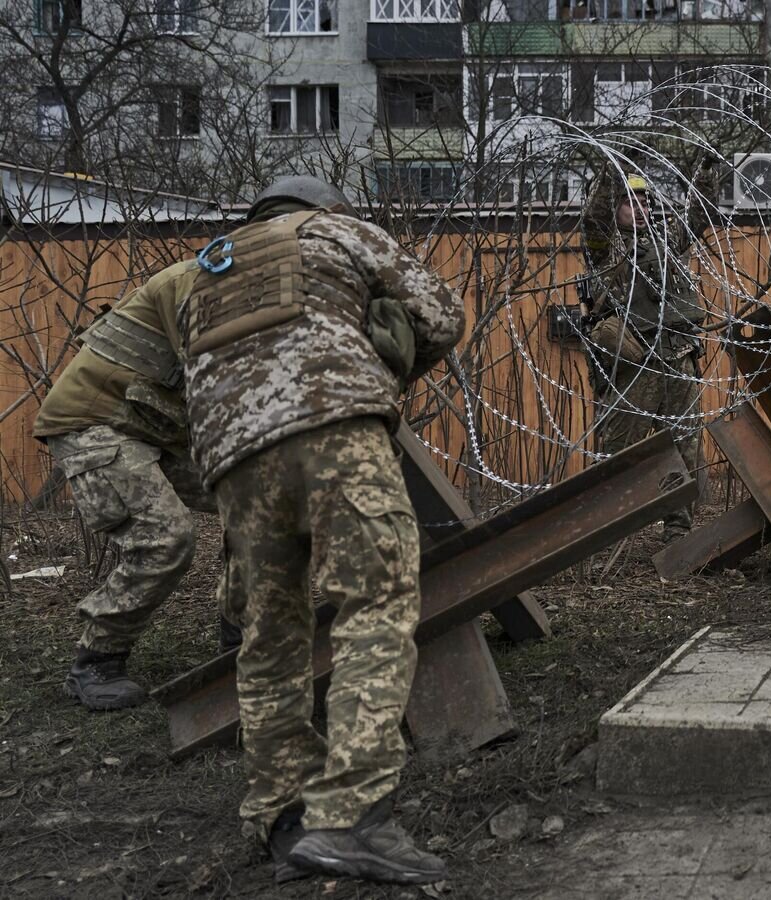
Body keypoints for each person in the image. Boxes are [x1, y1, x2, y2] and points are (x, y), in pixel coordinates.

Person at [178, 176, 464, 885]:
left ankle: (283, 817)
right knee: (377, 599)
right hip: (334, 424)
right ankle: (352, 817)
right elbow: (441, 314)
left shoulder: (201, 274)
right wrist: (391, 360)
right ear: (323, 207)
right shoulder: (334, 231)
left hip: (234, 460)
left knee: (269, 633)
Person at [33, 259, 231, 710]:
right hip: (95, 420)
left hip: (152, 423)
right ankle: (97, 660)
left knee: (259, 500)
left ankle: (242, 631)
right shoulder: (201, 279)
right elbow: (219, 375)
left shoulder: (261, 281)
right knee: (166, 537)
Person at [580, 163, 718, 542]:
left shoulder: (664, 239)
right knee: (620, 451)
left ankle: (678, 531)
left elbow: (698, 215)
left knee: (685, 445)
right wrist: (610, 169)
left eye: (643, 200)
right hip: (636, 362)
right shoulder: (604, 247)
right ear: (614, 207)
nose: (639, 207)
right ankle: (603, 534)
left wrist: (705, 175)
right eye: (629, 201)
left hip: (678, 355)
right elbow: (594, 216)